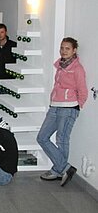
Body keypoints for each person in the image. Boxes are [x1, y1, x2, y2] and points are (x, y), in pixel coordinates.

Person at [37, 37, 88, 187]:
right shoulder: (60, 66)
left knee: (62, 139)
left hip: (69, 107)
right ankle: (65, 168)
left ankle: (58, 170)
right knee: (42, 137)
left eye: (67, 48)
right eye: (62, 48)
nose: (63, 51)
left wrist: (77, 106)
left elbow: (82, 90)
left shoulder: (77, 69)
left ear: (74, 51)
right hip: (55, 106)